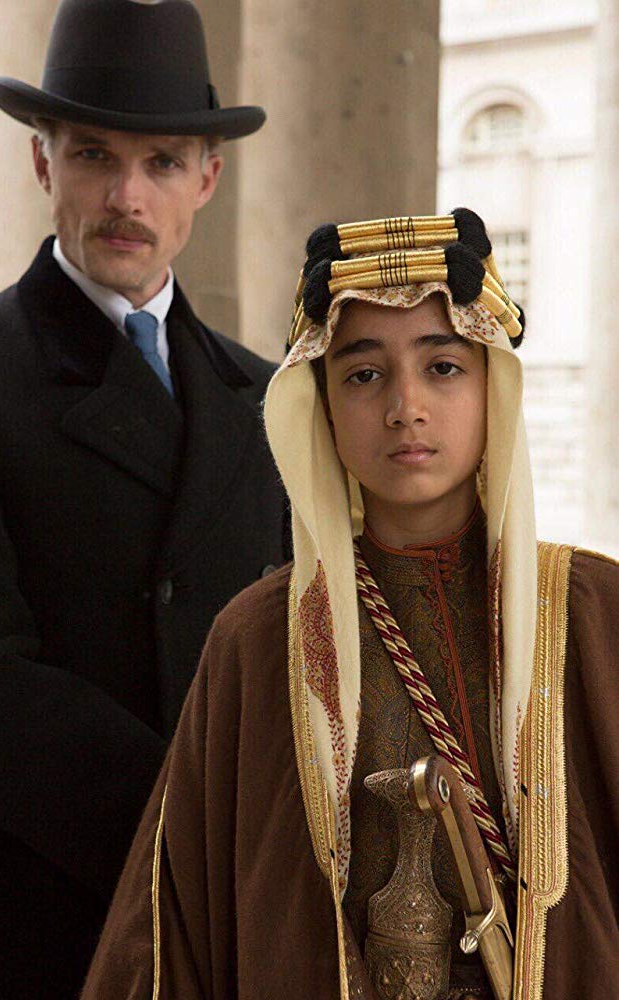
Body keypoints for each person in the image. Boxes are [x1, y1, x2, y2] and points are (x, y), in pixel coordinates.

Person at [83, 209, 618, 1000]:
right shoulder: (258, 641)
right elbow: (173, 931)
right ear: (323, 406)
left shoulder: (595, 616)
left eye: (443, 366)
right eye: (364, 375)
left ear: (492, 387)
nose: (406, 406)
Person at [0, 1, 287, 997]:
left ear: (207, 181)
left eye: (163, 163)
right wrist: (201, 837)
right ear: (42, 162)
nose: (127, 197)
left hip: (230, 925)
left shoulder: (268, 395)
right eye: (95, 155)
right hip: (33, 919)